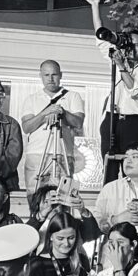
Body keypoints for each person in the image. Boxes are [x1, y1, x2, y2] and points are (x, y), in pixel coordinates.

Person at [82, 0, 138, 184]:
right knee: (109, 166)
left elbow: (135, 90)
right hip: (111, 119)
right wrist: (95, 8)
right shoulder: (116, 58)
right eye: (129, 44)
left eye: (137, 45)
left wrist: (122, 66)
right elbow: (101, 37)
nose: (132, 49)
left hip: (131, 123)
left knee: (129, 168)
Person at [20, 61, 85, 195]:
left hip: (64, 154)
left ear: (60, 75)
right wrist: (46, 112)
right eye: (46, 75)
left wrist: (62, 112)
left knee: (63, 197)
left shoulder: (73, 96)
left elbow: (78, 123)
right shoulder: (31, 99)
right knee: (35, 196)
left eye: (54, 74)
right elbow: (27, 127)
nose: (50, 79)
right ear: (41, 76)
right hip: (37, 154)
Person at [93, 143, 138, 234]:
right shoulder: (110, 188)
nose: (128, 161)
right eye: (126, 157)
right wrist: (117, 219)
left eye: (135, 157)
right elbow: (94, 225)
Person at [27, 184, 100, 245]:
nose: (52, 205)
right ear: (37, 206)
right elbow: (24, 237)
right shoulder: (34, 225)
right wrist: (41, 216)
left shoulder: (71, 224)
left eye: (56, 201)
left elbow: (93, 234)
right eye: (46, 202)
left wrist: (83, 211)